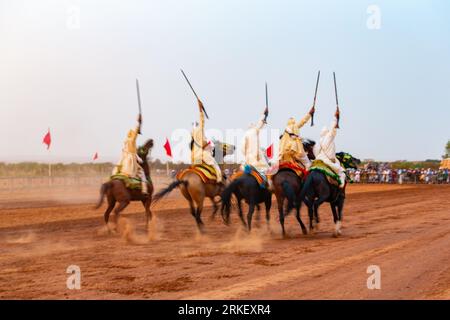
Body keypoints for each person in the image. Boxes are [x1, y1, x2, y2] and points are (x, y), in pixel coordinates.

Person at [112, 114, 148, 194]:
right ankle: (144, 190)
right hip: (130, 161)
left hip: (123, 159)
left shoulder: (126, 140)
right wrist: (139, 122)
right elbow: (135, 132)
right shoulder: (132, 140)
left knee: (118, 171)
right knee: (142, 172)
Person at [191, 100, 222, 183]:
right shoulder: (199, 129)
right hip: (203, 154)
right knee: (214, 164)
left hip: (194, 157)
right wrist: (200, 109)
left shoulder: (192, 134)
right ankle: (219, 179)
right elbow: (202, 120)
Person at [314, 110, 346, 188]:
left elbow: (315, 153)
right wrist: (336, 117)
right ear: (327, 132)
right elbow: (332, 128)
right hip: (328, 161)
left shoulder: (318, 142)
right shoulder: (328, 137)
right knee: (341, 172)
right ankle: (341, 183)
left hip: (318, 160)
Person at [241, 109, 270, 175]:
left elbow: (242, 149)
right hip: (257, 160)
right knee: (267, 173)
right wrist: (264, 115)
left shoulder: (245, 136)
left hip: (248, 159)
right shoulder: (254, 131)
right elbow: (259, 124)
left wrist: (264, 115)